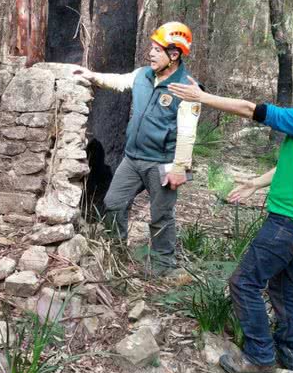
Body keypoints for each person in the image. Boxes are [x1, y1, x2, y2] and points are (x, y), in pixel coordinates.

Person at [168, 50, 293, 373]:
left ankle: (260, 358)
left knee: (244, 281)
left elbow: (249, 109)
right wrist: (256, 183)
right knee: (286, 288)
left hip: (290, 222)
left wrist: (202, 97)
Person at [77, 21, 201, 275]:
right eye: (151, 48)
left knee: (161, 216)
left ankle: (163, 268)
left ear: (174, 54)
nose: (151, 53)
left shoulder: (187, 88)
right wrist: (92, 76)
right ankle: (116, 253)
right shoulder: (144, 75)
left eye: (158, 49)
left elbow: (188, 133)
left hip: (163, 163)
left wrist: (180, 168)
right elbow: (120, 81)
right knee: (113, 203)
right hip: (133, 159)